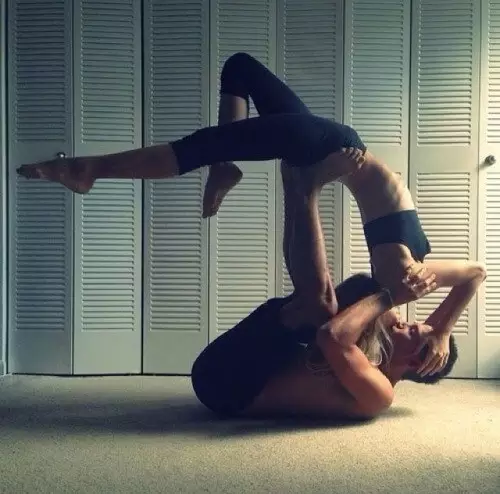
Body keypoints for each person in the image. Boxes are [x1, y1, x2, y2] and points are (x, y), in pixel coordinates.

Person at [16, 52, 487, 376]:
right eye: (424, 329)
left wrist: (423, 334)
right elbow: (476, 273)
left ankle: (102, 168)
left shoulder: (389, 292)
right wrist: (443, 330)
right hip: (336, 147)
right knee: (218, 118)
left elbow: (335, 326)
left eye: (418, 338)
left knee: (233, 83)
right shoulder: (411, 280)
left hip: (321, 150)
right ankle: (111, 169)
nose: (415, 326)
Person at [190, 164, 458, 419]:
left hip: (226, 385)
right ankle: (294, 177)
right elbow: (474, 273)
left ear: (415, 362)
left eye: (413, 332)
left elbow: (331, 336)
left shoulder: (380, 394)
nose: (407, 323)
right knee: (355, 290)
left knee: (321, 305)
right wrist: (441, 329)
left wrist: (391, 297)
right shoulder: (379, 346)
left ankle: (308, 187)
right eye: (414, 324)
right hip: (259, 357)